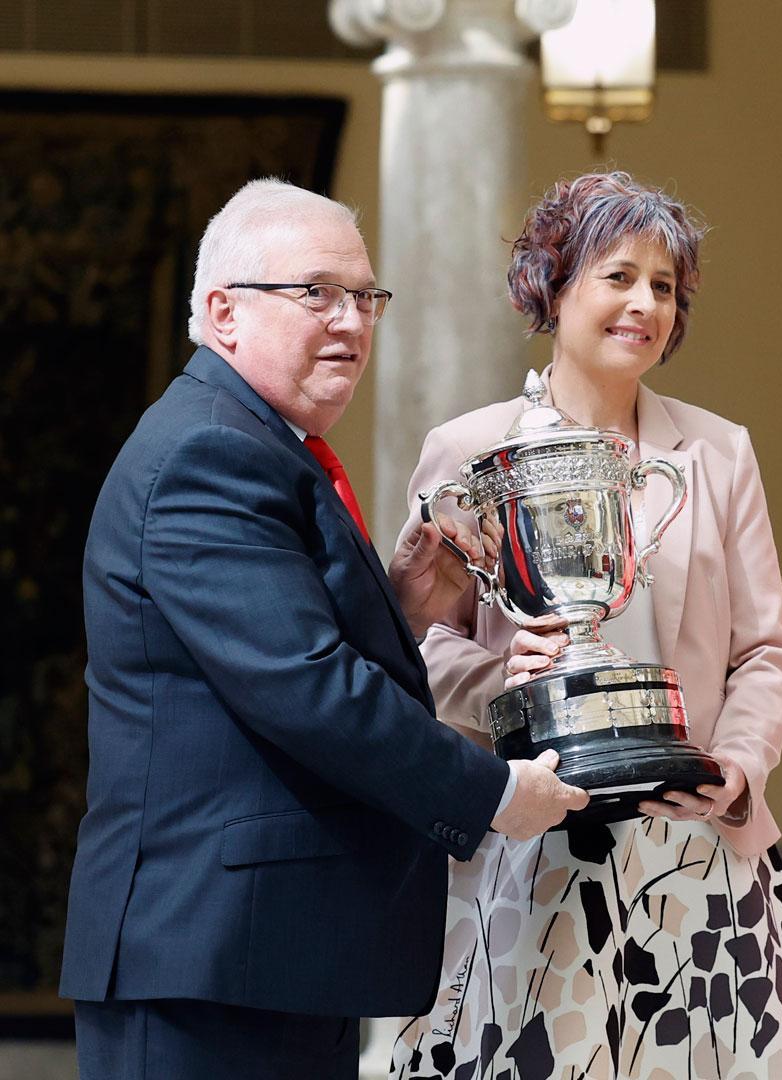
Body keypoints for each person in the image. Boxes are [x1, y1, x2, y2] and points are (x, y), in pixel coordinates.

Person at [61, 179, 588, 1080]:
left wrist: (402, 606)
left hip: (271, 957)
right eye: (316, 293)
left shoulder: (256, 441)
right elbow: (307, 687)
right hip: (208, 964)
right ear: (222, 312)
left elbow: (285, 652)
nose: (351, 321)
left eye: (366, 297)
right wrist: (493, 794)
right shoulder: (209, 453)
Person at [388, 172, 782, 1078]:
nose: (646, 303)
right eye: (619, 276)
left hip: (696, 850)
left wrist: (739, 772)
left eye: (666, 287)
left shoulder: (718, 452)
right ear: (552, 288)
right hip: (530, 848)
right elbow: (418, 645)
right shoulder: (467, 449)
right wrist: (502, 683)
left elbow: (766, 651)